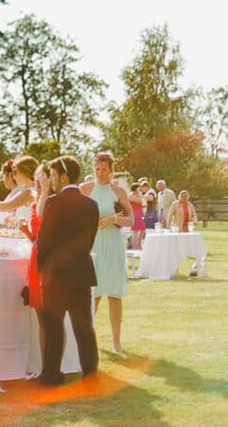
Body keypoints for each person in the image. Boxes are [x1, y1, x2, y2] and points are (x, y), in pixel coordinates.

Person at [37, 156, 99, 385]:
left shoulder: (54, 202)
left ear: (64, 177)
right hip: (82, 273)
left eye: (53, 175)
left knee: (54, 329)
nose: (51, 180)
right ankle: (90, 374)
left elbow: (43, 241)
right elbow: (90, 240)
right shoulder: (91, 204)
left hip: (55, 276)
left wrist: (42, 269)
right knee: (84, 328)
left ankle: (51, 376)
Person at [80, 152, 132, 354]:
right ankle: (87, 341)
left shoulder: (118, 191)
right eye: (97, 169)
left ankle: (116, 342)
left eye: (104, 169)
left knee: (114, 293)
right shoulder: (85, 189)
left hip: (113, 244)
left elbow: (131, 220)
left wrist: (114, 219)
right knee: (92, 294)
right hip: (91, 244)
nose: (100, 173)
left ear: (111, 171)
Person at [20, 163, 53, 363]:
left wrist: (46, 192)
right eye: (37, 182)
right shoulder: (34, 205)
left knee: (52, 319)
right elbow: (36, 237)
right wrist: (25, 232)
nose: (39, 186)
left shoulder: (53, 203)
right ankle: (45, 366)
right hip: (36, 259)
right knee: (42, 317)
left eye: (43, 181)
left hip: (51, 260)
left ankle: (53, 365)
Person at [0, 155, 38, 223]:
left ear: (25, 172)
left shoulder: (29, 192)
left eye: (15, 173)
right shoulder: (34, 190)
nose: (14, 177)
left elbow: (4, 207)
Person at [128, 183, 146, 249]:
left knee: (142, 229)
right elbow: (139, 201)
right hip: (135, 214)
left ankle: (138, 245)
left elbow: (141, 203)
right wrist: (140, 196)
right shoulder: (131, 195)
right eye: (138, 188)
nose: (139, 189)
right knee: (135, 231)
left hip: (139, 213)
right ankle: (135, 247)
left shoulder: (137, 194)